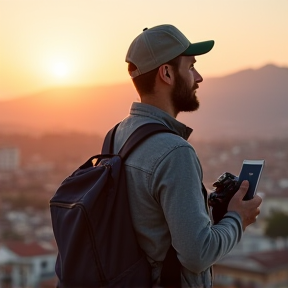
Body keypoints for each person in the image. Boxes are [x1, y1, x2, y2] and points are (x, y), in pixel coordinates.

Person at [113, 24, 262, 288]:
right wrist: (238, 218)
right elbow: (198, 255)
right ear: (167, 73)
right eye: (191, 66)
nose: (199, 77)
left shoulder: (117, 135)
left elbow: (149, 225)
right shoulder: (174, 152)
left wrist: (210, 216)